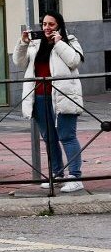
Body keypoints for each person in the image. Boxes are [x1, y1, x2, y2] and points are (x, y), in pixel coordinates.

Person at [14, 12, 85, 193]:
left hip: (62, 96)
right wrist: (22, 43)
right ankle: (57, 175)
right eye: (44, 24)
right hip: (38, 97)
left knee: (67, 136)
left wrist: (59, 42)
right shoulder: (36, 43)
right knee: (49, 139)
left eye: (51, 24)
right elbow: (19, 62)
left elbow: (75, 61)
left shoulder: (70, 40)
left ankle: (76, 177)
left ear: (59, 25)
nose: (46, 28)